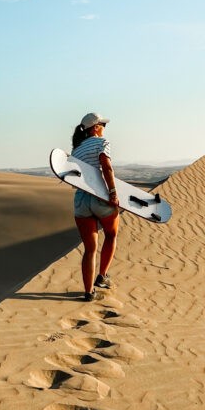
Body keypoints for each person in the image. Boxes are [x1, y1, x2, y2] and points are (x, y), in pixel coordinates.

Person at [70, 112, 120, 302]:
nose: (104, 128)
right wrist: (113, 193)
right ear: (96, 127)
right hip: (101, 197)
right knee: (111, 235)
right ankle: (103, 276)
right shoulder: (102, 142)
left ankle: (88, 292)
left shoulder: (76, 150)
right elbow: (106, 167)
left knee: (90, 249)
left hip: (81, 200)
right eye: (103, 125)